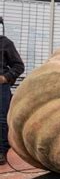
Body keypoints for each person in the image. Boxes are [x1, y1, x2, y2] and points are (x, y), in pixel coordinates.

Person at [0, 33, 24, 165]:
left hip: (1, 87)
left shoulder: (5, 43)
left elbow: (19, 66)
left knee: (1, 120)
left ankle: (1, 151)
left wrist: (5, 77)